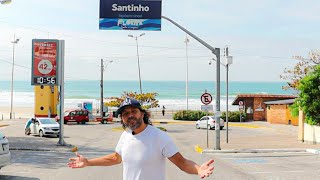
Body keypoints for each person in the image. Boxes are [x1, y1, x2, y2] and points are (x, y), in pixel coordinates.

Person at [68, 97, 214, 180]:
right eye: (125, 113)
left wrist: (198, 169)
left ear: (142, 114)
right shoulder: (125, 136)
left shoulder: (159, 137)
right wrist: (88, 162)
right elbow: (115, 158)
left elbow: (182, 163)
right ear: (122, 119)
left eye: (133, 111)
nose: (130, 115)